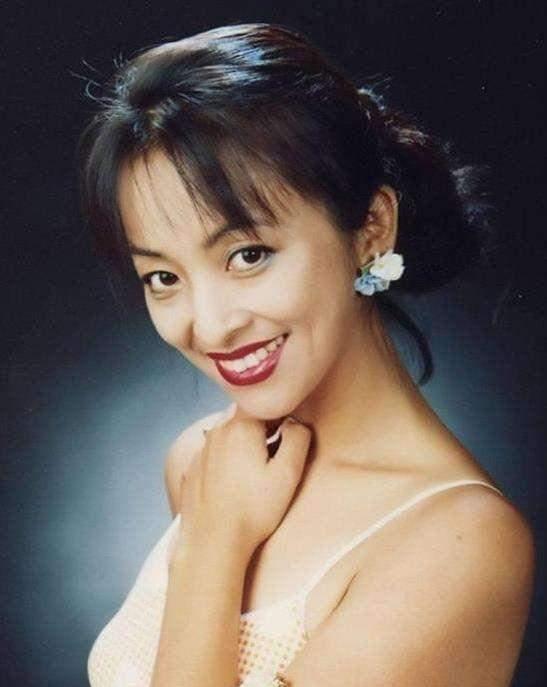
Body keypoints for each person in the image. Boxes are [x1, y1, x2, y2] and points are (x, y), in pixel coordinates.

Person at [78, 22, 535, 687]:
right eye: (163, 277)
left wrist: (213, 545)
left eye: (248, 255)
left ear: (371, 229)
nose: (211, 326)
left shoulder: (459, 542)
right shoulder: (204, 464)